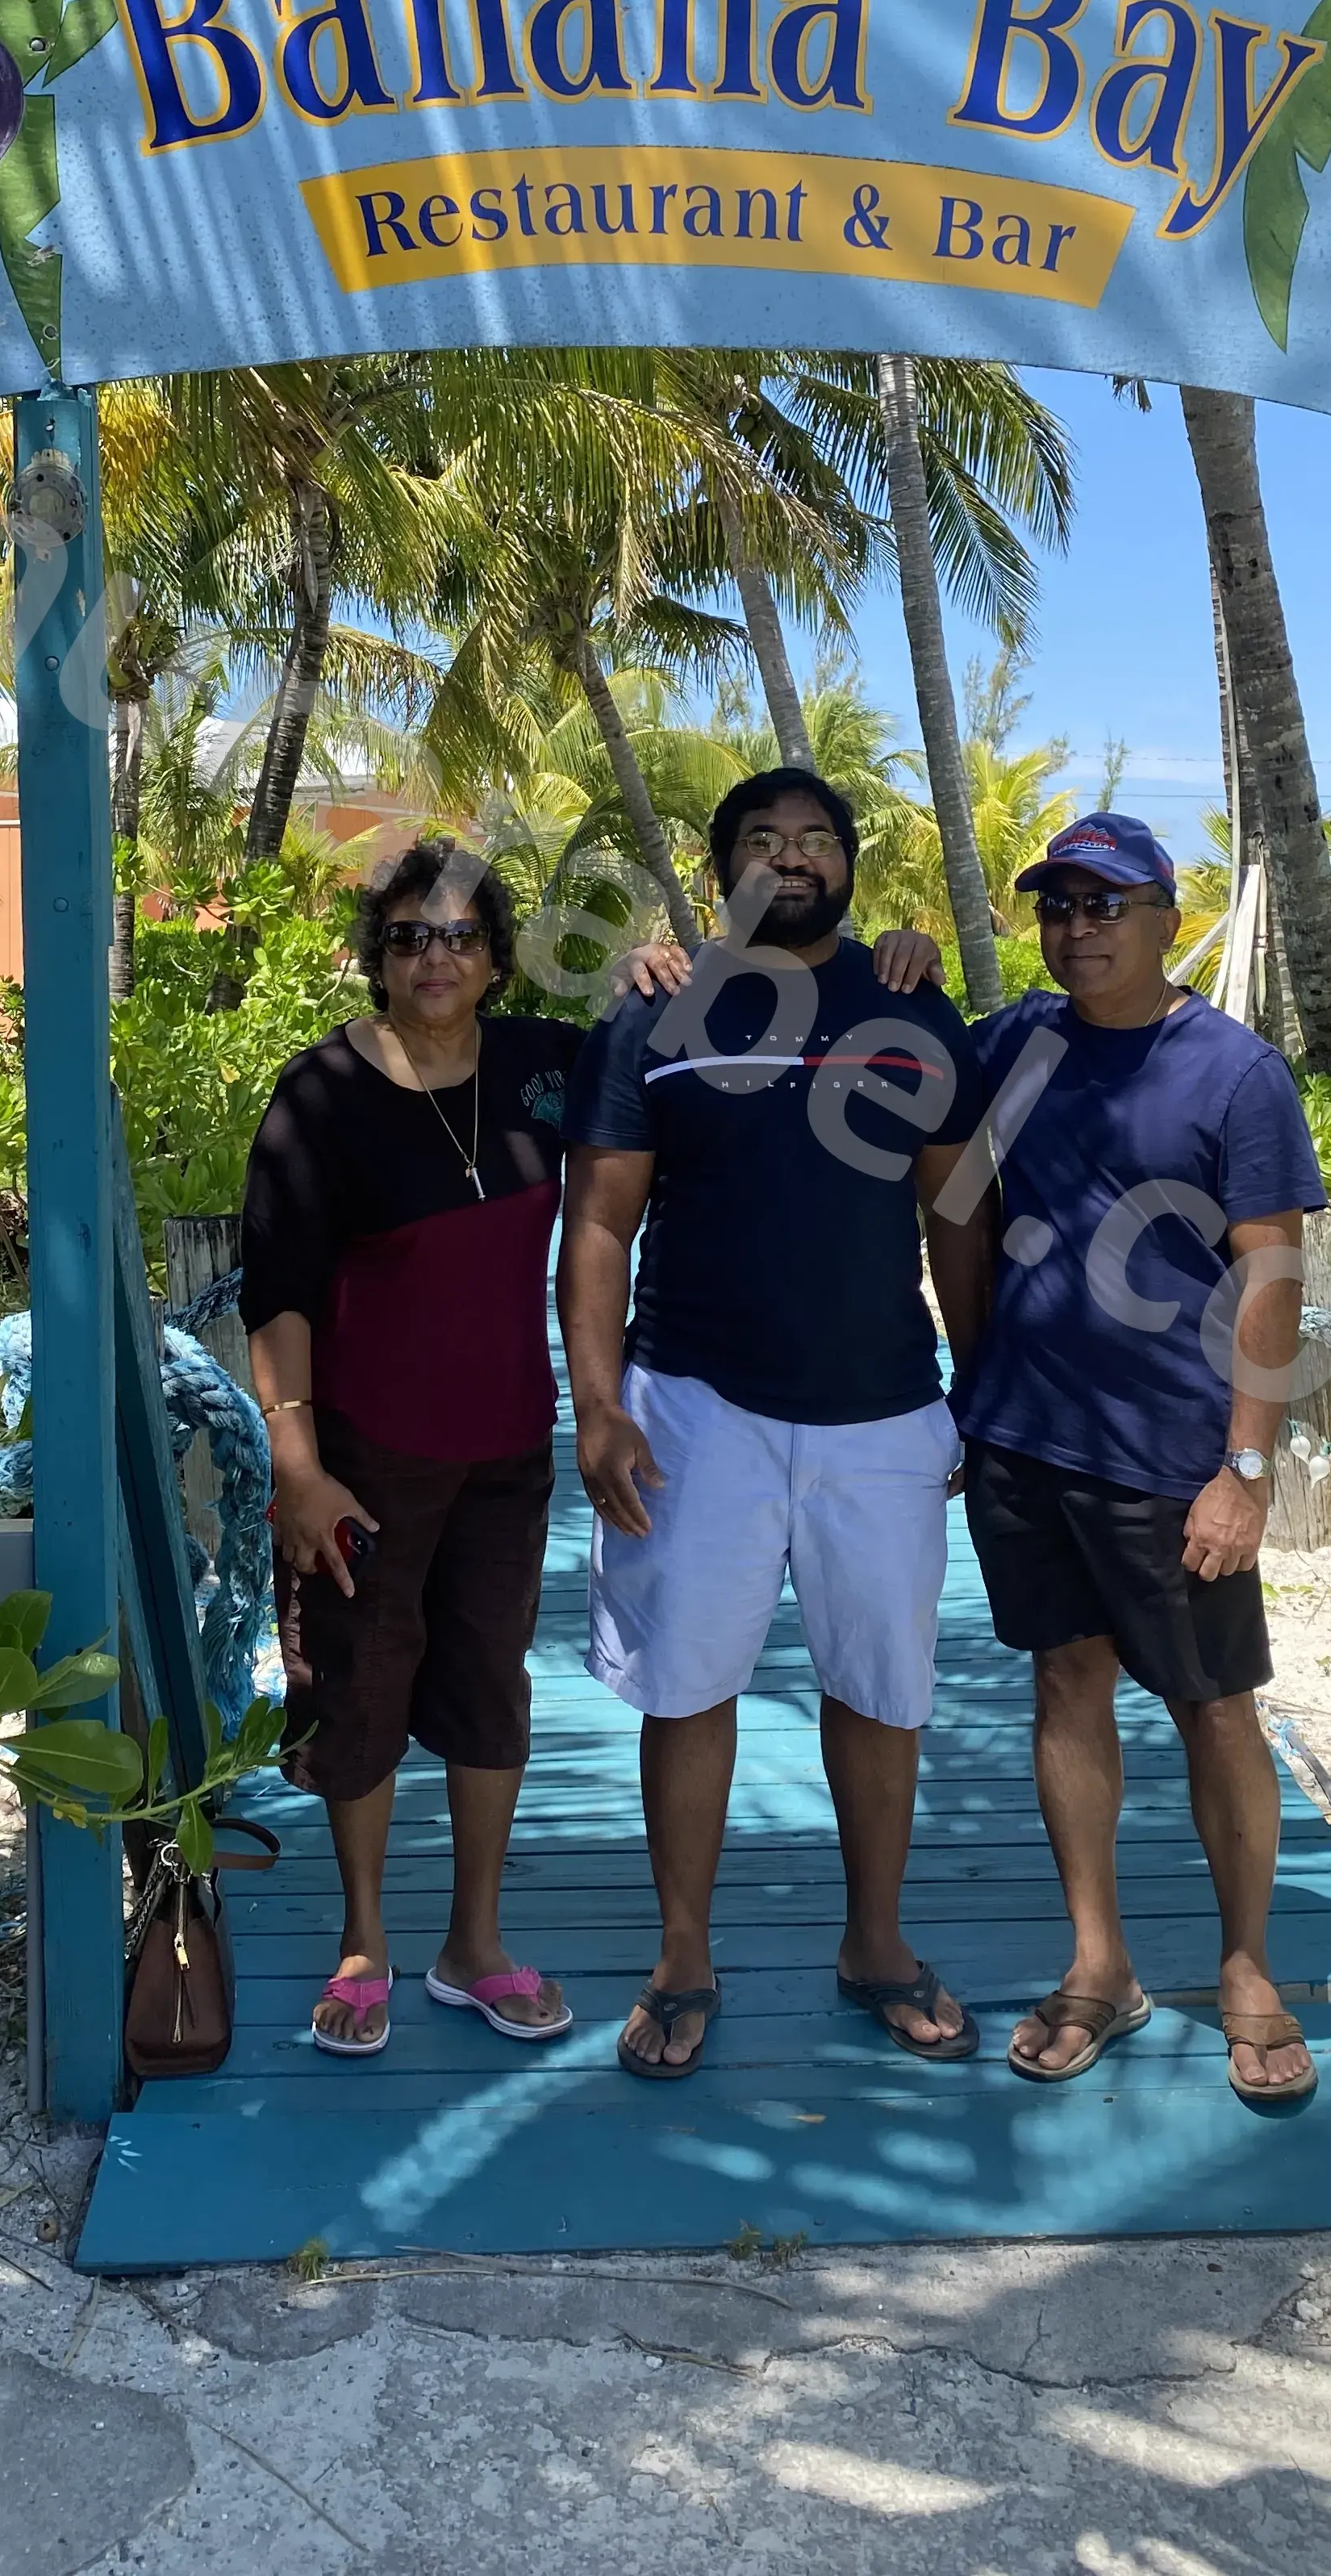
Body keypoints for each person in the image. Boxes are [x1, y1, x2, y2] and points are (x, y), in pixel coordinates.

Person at [240, 834, 941, 2060]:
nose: (435, 958)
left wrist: (695, 969)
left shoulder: (539, 1071)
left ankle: (476, 1943)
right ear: (378, 958)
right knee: (359, 1694)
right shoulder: (322, 1093)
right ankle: (364, 1943)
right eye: (409, 938)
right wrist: (297, 1466)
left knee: (486, 1694)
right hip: (364, 1454)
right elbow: (278, 1292)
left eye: (460, 935)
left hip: (509, 1448)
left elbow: (683, 1090)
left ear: (498, 957)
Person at [559, 772, 989, 2079]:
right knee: (686, 1692)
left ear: (851, 868)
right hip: (694, 1407)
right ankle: (682, 1954)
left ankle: (875, 1942)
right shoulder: (654, 1012)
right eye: (763, 840)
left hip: (884, 1410)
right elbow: (599, 1223)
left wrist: (981, 1385)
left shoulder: (911, 1003)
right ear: (720, 868)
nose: (791, 858)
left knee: (882, 1690)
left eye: (816, 841)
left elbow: (955, 1211)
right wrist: (597, 1407)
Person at [943, 812, 1328, 2106]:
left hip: (1175, 1458)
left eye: (1103, 905)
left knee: (1216, 1708)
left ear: (1168, 915)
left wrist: (1248, 1469)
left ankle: (1248, 1967)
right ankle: (1099, 1962)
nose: (1076, 928)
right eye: (1056, 906)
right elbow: (939, 1174)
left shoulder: (1234, 1072)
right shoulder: (1012, 1045)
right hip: (1026, 1437)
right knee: (1067, 1681)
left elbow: (1271, 1274)